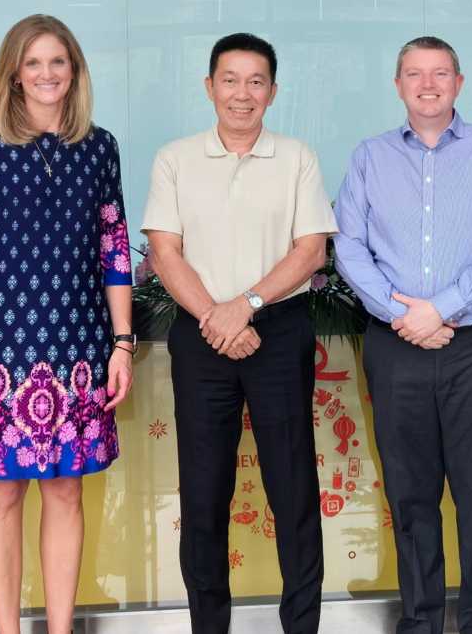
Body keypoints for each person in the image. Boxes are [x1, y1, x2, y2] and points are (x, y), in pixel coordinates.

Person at [332, 36, 472, 634]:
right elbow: (349, 248)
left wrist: (440, 309)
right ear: (398, 85)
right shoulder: (369, 157)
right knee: (410, 493)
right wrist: (404, 317)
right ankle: (420, 620)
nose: (428, 84)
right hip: (396, 346)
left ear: (459, 83)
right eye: (415, 74)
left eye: (440, 73)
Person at [0, 14, 134, 634]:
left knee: (67, 493)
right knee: (1, 495)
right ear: (14, 74)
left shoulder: (100, 148)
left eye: (57, 61)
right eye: (33, 63)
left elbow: (115, 251)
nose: (47, 73)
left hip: (80, 345)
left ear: (74, 70)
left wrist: (122, 344)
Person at [141, 32, 334, 634]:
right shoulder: (175, 159)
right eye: (230, 80)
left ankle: (301, 625)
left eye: (256, 82)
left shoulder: (297, 157)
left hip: (278, 331)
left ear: (273, 92)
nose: (242, 94)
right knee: (203, 493)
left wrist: (245, 306)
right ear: (209, 87)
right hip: (202, 335)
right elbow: (164, 252)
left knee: (293, 488)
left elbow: (311, 250)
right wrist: (217, 316)